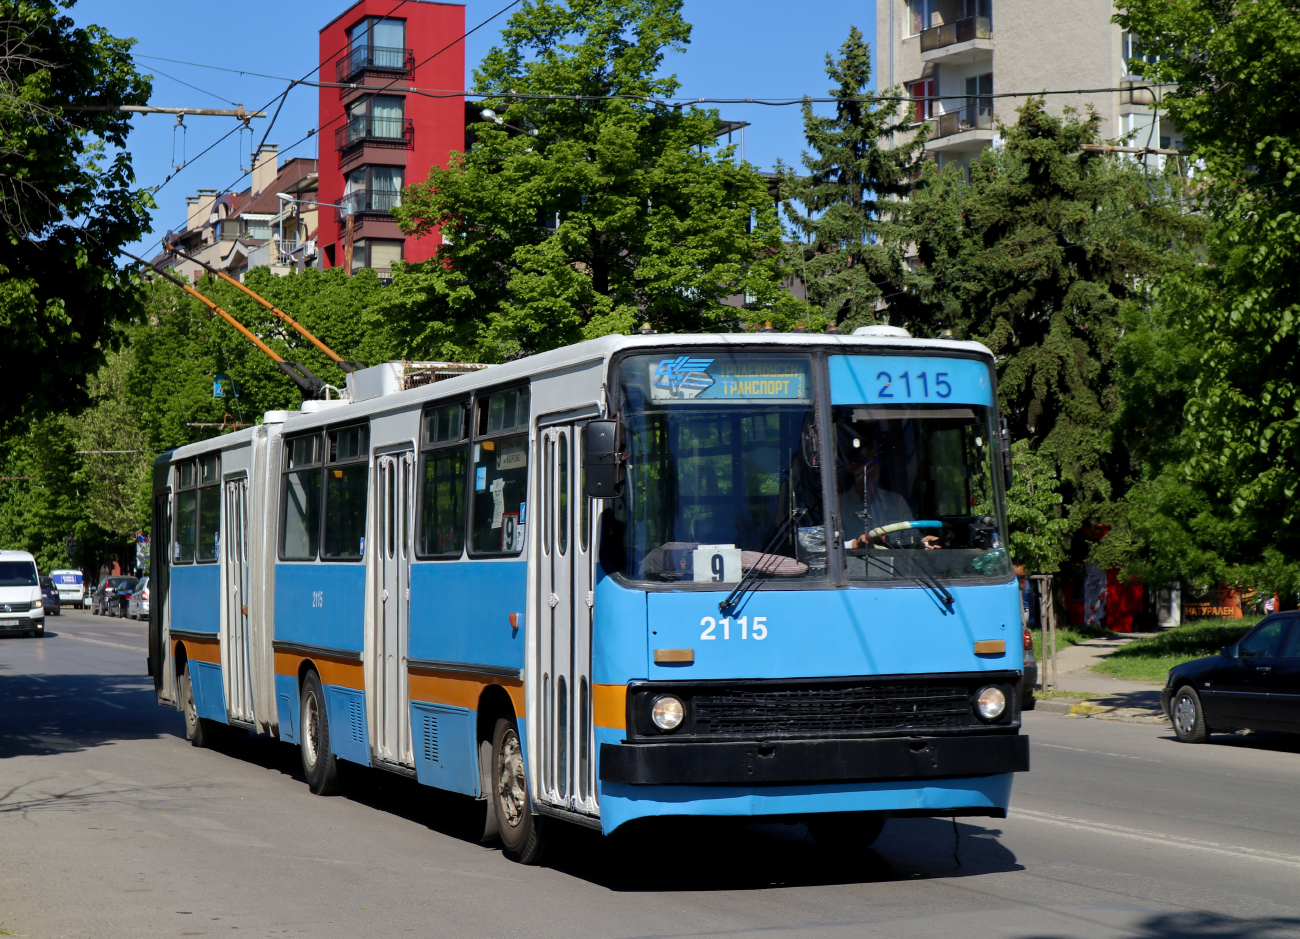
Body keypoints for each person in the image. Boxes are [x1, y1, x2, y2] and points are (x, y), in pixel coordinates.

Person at [837, 433, 939, 550]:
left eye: (874, 460)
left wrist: (924, 544)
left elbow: (911, 539)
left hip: (895, 566)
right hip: (854, 567)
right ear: (851, 466)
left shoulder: (896, 502)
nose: (871, 467)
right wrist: (854, 544)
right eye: (865, 461)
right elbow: (830, 547)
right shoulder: (839, 506)